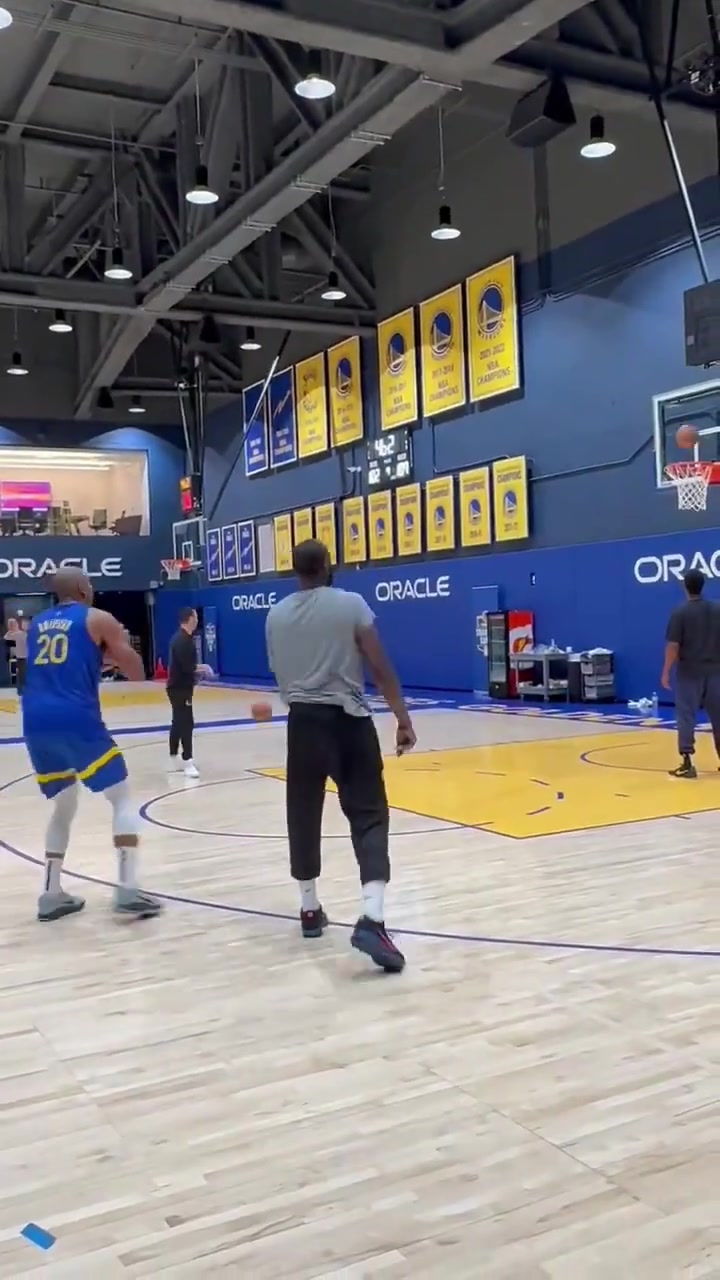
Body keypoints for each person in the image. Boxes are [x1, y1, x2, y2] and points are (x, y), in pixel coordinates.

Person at [265, 538, 416, 973]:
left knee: (302, 813)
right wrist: (402, 719)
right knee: (369, 814)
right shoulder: (351, 604)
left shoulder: (275, 616)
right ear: (328, 566)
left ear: (294, 570)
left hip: (301, 722)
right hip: (347, 721)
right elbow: (379, 665)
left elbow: (277, 671)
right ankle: (372, 918)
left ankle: (309, 909)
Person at [22, 567, 162, 923]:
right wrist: (123, 644)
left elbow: (65, 662)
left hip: (35, 720)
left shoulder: (36, 623)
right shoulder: (98, 618)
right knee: (122, 797)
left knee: (64, 804)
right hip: (75, 716)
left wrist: (101, 655)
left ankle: (51, 893)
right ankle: (128, 888)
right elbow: (137, 672)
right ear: (83, 589)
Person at [662, 566, 720, 778]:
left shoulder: (680, 613)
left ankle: (687, 762)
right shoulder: (717, 609)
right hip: (716, 671)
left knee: (686, 716)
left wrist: (666, 671)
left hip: (689, 673)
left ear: (685, 587)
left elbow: (673, 646)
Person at [166, 606, 213, 777]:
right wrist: (204, 668)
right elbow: (188, 667)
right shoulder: (184, 641)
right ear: (190, 619)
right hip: (180, 689)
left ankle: (174, 756)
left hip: (177, 688)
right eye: (196, 617)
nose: (198, 620)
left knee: (178, 722)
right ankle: (188, 761)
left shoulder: (179, 638)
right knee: (186, 723)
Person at [5, 615, 28, 693]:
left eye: (14, 623)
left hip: (24, 657)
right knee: (19, 674)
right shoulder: (8, 636)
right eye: (10, 624)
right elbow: (10, 648)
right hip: (16, 658)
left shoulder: (22, 634)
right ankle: (21, 690)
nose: (12, 625)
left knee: (23, 674)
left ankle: (24, 690)